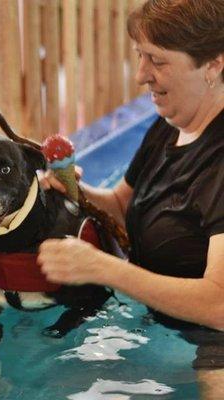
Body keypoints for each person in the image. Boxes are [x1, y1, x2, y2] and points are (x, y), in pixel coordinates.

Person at [36, 0, 224, 398]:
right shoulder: (171, 124)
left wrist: (105, 269)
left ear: (214, 64)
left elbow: (220, 306)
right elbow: (123, 205)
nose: (141, 76)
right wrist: (74, 190)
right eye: (140, 56)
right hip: (164, 327)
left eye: (157, 60)